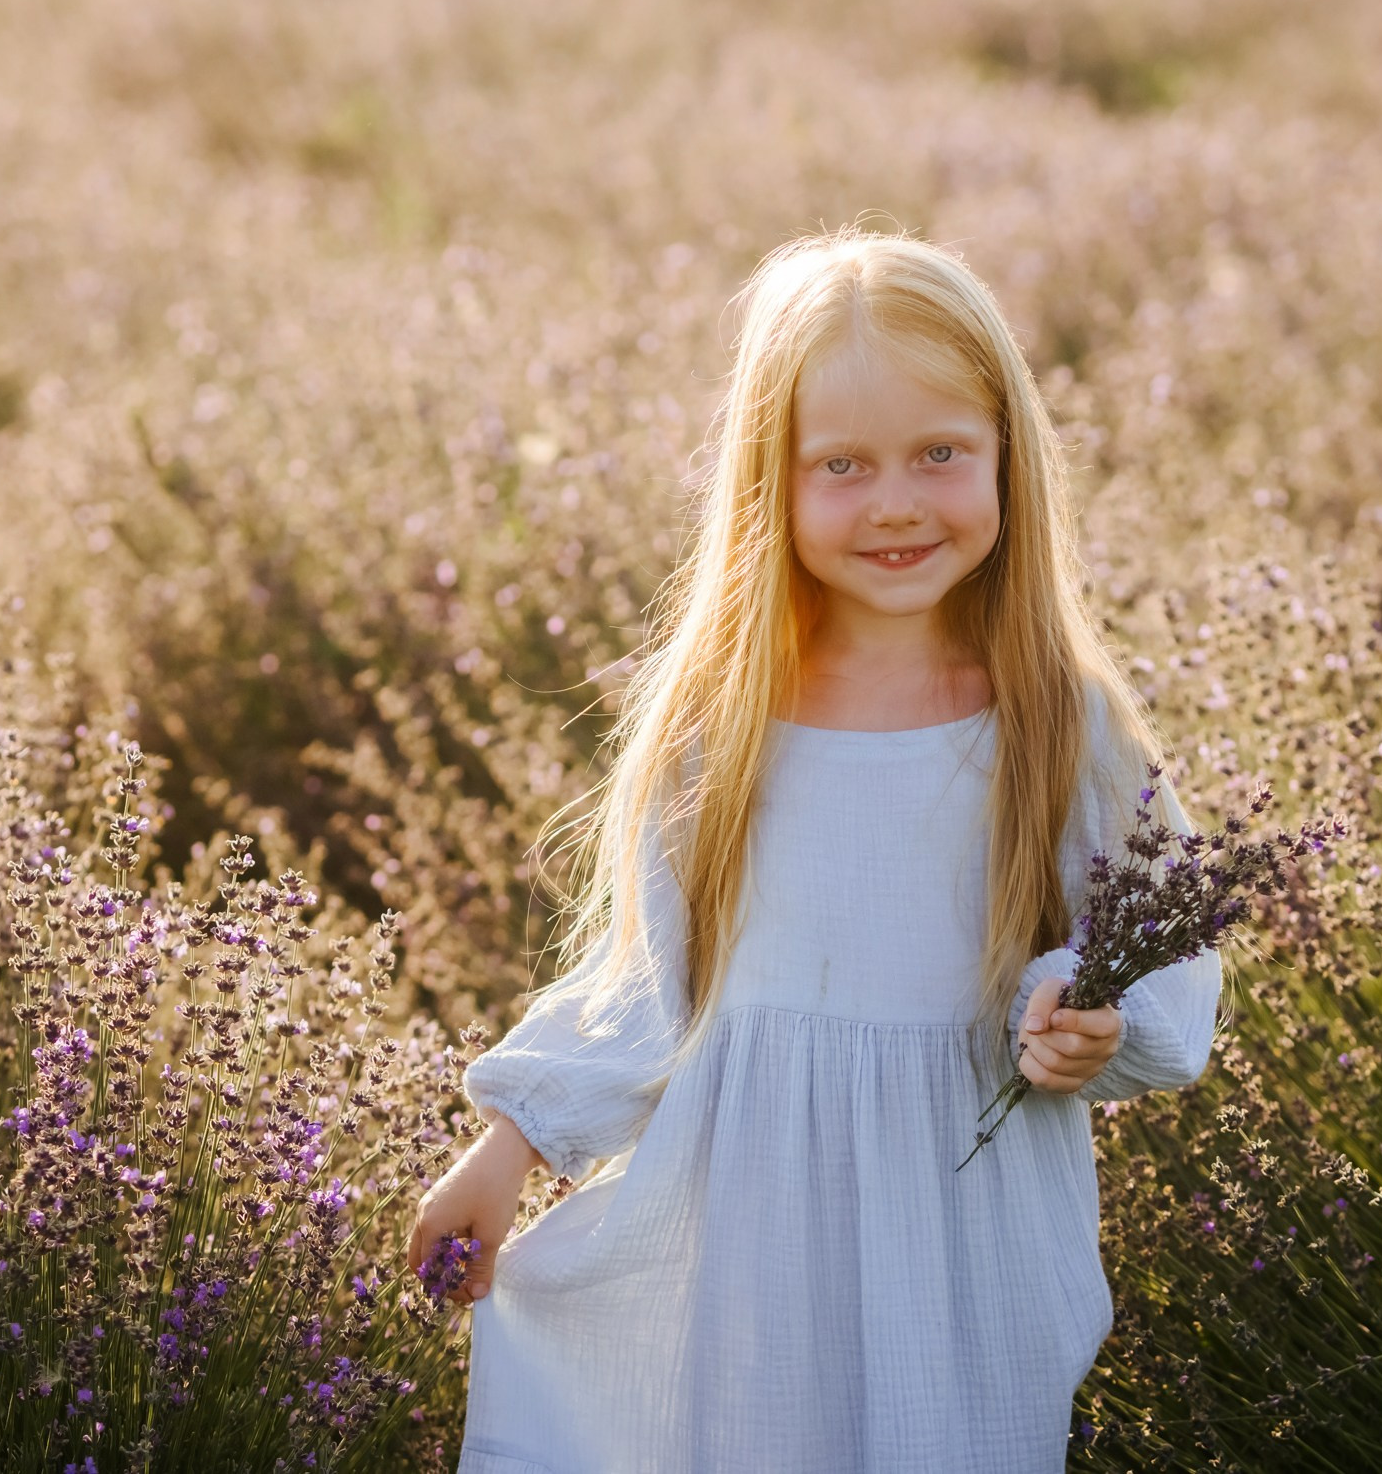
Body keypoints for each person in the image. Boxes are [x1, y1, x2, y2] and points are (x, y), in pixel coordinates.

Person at [414, 226, 1226, 1473]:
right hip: (750, 1243)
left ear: (1009, 456)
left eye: (940, 453)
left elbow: (1161, 938)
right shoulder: (721, 728)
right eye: (840, 464)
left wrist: (1085, 1012)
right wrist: (510, 1144)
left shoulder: (1062, 721)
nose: (895, 501)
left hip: (967, 1242)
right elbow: (646, 988)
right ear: (769, 483)